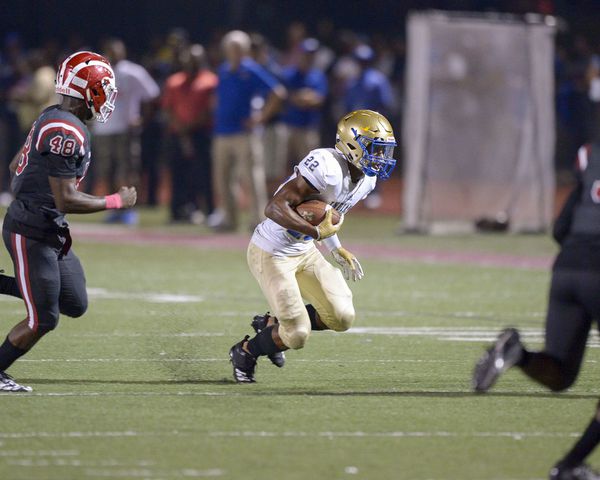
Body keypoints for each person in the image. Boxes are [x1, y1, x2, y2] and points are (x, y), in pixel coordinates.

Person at [0, 51, 137, 392]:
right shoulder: (64, 128)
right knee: (43, 319)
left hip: (50, 227)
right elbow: (67, 199)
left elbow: (16, 162)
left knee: (74, 301)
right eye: (104, 87)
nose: (107, 96)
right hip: (31, 228)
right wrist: (116, 201)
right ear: (89, 90)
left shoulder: (55, 116)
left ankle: (7, 286)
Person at [229, 109, 397, 383]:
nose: (380, 158)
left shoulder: (367, 180)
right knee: (296, 335)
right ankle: (246, 351)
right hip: (272, 251)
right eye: (374, 149)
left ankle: (271, 324)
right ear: (352, 145)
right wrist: (316, 232)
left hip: (305, 251)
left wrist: (335, 247)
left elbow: (325, 216)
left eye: (383, 151)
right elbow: (274, 207)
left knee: (341, 317)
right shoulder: (327, 166)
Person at [472, 143, 600, 479]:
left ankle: (518, 354)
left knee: (560, 374)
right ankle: (569, 465)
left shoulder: (593, 153)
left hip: (568, 269)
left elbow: (561, 229)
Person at [210, 30, 286, 232]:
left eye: (238, 48)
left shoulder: (251, 69)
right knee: (223, 179)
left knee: (252, 178)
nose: (234, 51)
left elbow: (277, 93)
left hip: (244, 133)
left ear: (244, 50)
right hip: (222, 131)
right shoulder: (224, 70)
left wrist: (260, 118)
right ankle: (229, 218)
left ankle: (258, 220)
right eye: (231, 48)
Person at [93, 38, 159, 225]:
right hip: (103, 129)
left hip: (124, 129)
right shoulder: (97, 72)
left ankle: (129, 209)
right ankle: (114, 208)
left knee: (127, 171)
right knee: (107, 172)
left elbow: (152, 94)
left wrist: (142, 119)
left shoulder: (133, 71)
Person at [162, 44, 218, 223]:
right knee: (178, 173)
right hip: (177, 133)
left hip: (201, 133)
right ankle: (177, 211)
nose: (192, 63)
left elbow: (210, 108)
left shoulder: (210, 81)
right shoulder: (174, 81)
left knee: (203, 173)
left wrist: (191, 127)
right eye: (189, 60)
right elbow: (168, 109)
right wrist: (181, 130)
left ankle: (209, 210)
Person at [281, 38, 328, 175]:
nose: (309, 57)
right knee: (283, 165)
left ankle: (306, 195)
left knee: (309, 168)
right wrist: (304, 97)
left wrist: (300, 98)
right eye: (306, 53)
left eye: (312, 54)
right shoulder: (289, 74)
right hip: (288, 126)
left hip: (308, 128)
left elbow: (319, 100)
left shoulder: (318, 76)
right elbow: (286, 97)